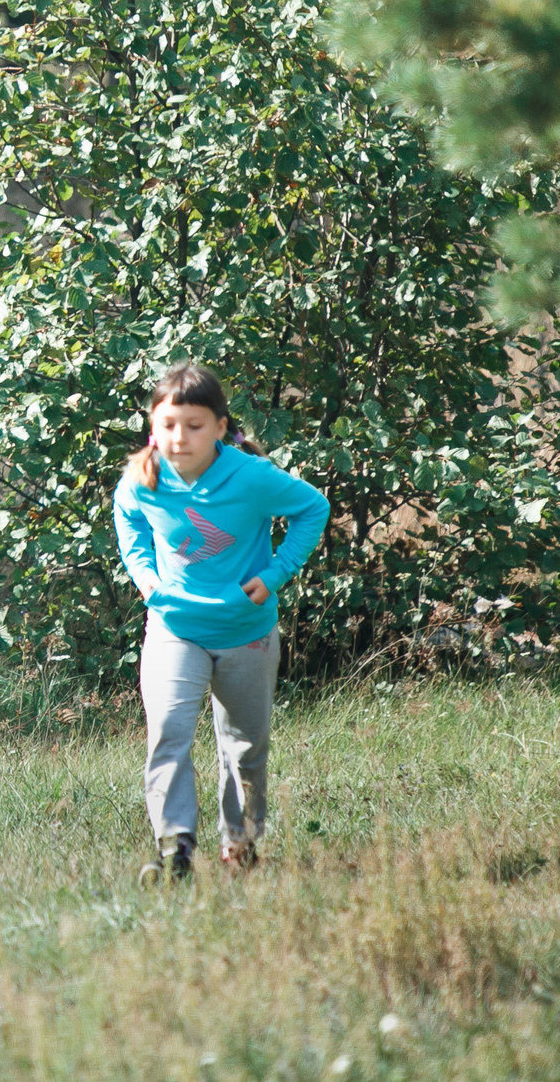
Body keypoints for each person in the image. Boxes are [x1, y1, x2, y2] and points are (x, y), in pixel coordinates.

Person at [114, 362, 328, 880]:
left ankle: (241, 842)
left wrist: (275, 574)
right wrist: (145, 577)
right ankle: (175, 848)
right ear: (152, 427)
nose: (179, 437)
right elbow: (128, 522)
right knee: (168, 731)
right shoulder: (143, 478)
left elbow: (312, 509)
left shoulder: (251, 478)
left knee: (245, 749)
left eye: (194, 425)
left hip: (245, 633)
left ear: (220, 427)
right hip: (174, 628)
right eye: (167, 425)